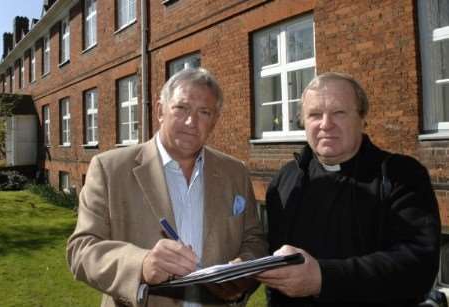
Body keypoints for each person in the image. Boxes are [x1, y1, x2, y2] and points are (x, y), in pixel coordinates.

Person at [67, 68, 267, 307]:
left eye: (204, 112)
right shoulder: (110, 169)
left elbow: (254, 239)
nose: (191, 122)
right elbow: (81, 250)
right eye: (181, 108)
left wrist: (243, 266)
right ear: (161, 110)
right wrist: (141, 264)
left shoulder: (235, 171)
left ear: (214, 120)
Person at [256, 72, 441, 307]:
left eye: (339, 113)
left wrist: (322, 278)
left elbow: (418, 264)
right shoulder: (285, 179)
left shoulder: (401, 175)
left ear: (362, 118)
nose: (325, 124)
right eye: (314, 115)